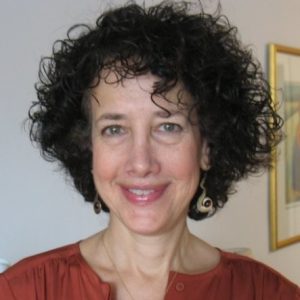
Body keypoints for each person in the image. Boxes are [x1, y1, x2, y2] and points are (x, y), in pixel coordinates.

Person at [0, 1, 299, 299]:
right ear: (88, 148)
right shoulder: (21, 291)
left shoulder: (270, 293)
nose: (141, 163)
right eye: (114, 130)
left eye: (168, 127)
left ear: (207, 147)